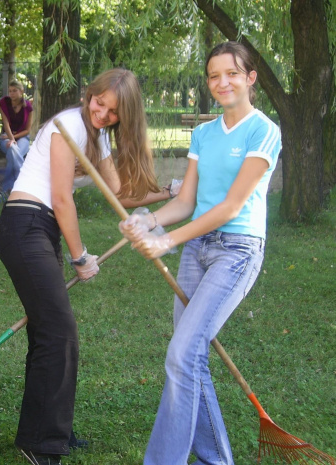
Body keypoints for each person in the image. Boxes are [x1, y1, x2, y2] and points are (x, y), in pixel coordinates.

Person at [0, 68, 175, 465]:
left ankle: (43, 430)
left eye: (113, 112)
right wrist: (79, 257)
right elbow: (61, 199)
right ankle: (43, 444)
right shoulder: (69, 124)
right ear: (89, 94)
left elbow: (121, 193)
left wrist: (169, 192)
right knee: (60, 333)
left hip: (38, 229)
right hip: (25, 225)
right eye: (99, 102)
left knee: (49, 332)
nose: (102, 114)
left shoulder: (98, 137)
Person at [119, 41, 281, 465]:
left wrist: (166, 241)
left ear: (250, 78)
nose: (221, 82)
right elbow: (187, 202)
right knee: (190, 356)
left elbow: (230, 207)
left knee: (181, 353)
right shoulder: (204, 133)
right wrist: (149, 221)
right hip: (198, 249)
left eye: (231, 73)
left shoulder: (263, 129)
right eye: (213, 75)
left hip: (238, 251)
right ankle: (217, 460)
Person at [0, 80, 33, 193]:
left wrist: (15, 136)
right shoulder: (4, 103)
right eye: (10, 91)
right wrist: (11, 138)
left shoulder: (27, 106)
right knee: (13, 148)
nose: (11, 93)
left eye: (14, 91)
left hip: (22, 137)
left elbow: (28, 130)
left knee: (12, 155)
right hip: (6, 136)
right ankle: (24, 182)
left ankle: (7, 190)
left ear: (21, 91)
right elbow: (6, 123)